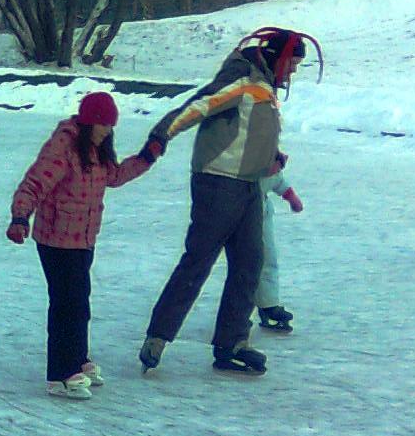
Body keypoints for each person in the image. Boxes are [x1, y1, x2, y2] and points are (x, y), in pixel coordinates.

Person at [137, 26, 322, 377]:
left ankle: (232, 343)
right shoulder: (242, 79)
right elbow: (199, 106)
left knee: (250, 263)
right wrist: (160, 137)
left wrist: (270, 155)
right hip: (218, 183)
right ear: (277, 58)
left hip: (250, 185)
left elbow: (246, 130)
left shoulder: (263, 85)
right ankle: (158, 336)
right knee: (198, 262)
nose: (293, 71)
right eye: (293, 64)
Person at [6, 92, 153, 399]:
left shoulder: (96, 149)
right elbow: (35, 182)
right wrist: (20, 216)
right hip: (55, 239)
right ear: (89, 122)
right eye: (103, 125)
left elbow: (114, 177)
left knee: (79, 303)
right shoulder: (64, 145)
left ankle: (78, 358)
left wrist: (147, 157)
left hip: (82, 239)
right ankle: (60, 375)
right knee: (65, 304)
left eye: (111, 125)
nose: (108, 131)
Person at [254, 166, 305, 332]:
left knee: (266, 259)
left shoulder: (268, 152)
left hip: (259, 209)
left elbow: (275, 177)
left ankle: (267, 304)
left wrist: (291, 196)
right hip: (230, 202)